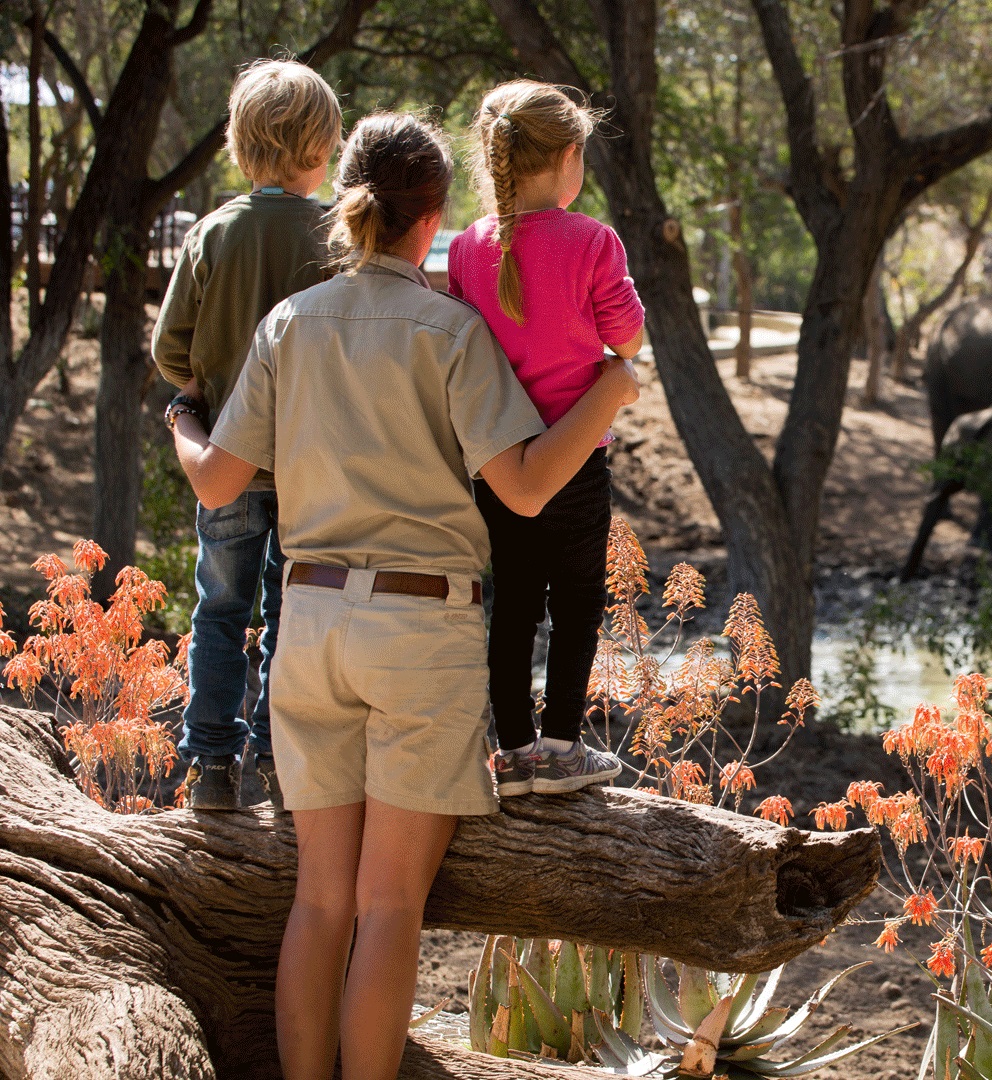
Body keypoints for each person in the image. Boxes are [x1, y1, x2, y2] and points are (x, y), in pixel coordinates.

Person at [168, 112, 640, 1080]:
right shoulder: (450, 331)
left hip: (310, 626)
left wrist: (181, 420)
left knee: (321, 903)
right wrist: (611, 390)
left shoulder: (289, 323)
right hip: (419, 628)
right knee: (389, 909)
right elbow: (523, 487)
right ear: (433, 223)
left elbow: (217, 482)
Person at [152, 59, 341, 810]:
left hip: (227, 455)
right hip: (309, 468)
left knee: (219, 610)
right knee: (293, 613)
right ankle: (276, 760)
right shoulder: (334, 235)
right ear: (323, 149)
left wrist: (200, 384)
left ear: (237, 144)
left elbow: (171, 350)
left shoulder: (215, 231)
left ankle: (210, 768)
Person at [448, 80, 646, 796]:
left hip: (498, 460)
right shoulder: (593, 239)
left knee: (514, 602)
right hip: (576, 458)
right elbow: (626, 336)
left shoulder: (469, 246)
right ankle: (562, 747)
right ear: (569, 156)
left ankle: (512, 753)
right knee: (578, 601)